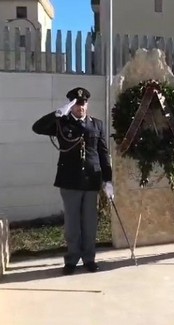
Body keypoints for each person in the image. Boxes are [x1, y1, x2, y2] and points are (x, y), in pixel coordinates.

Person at [32, 87, 114, 275]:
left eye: (83, 103)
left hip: (92, 181)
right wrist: (58, 113)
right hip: (70, 181)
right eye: (76, 104)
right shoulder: (62, 123)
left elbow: (103, 154)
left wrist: (108, 180)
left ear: (87, 104)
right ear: (71, 105)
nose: (80, 107)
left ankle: (89, 259)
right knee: (72, 224)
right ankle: (72, 259)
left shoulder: (97, 125)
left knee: (90, 223)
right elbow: (37, 128)